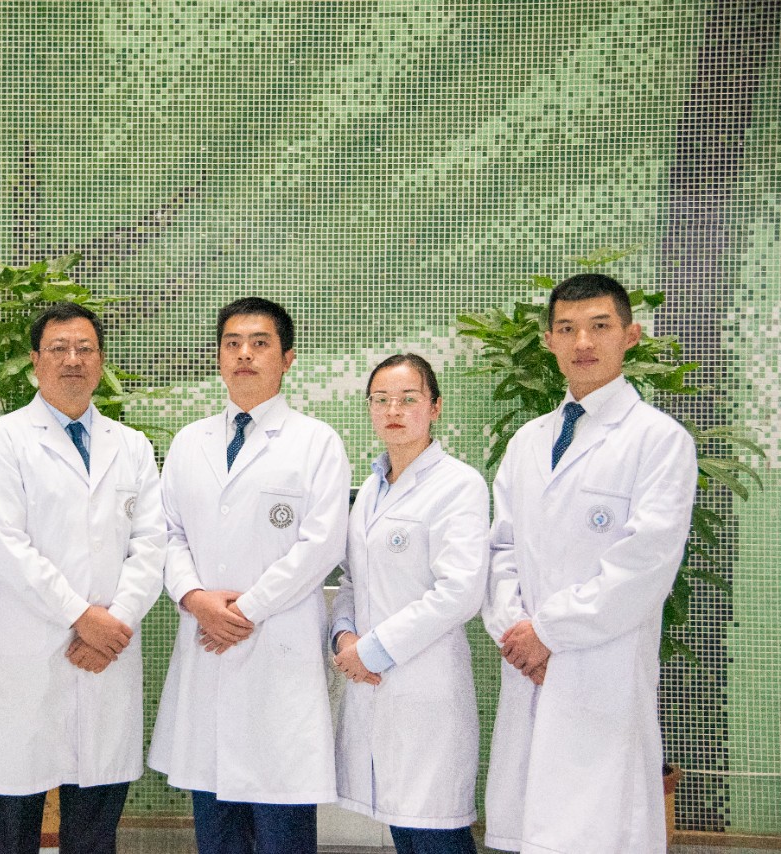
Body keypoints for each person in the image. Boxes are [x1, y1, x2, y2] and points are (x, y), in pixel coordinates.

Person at [482, 273, 698, 853]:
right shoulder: (528, 442)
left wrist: (548, 632)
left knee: (599, 829)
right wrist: (515, 632)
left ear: (630, 335)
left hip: (602, 672)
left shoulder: (659, 440)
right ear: (549, 341)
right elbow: (500, 549)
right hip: (528, 665)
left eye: (599, 326)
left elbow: (643, 566)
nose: (582, 342)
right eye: (567, 329)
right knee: (536, 828)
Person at [149, 297, 350, 854]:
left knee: (281, 823)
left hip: (276, 653)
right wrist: (195, 598)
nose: (244, 354)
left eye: (260, 343)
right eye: (232, 343)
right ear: (218, 357)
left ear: (287, 359)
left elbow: (321, 545)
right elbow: (167, 534)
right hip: (206, 643)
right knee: (217, 827)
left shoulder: (317, 443)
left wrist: (243, 611)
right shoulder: (190, 442)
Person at [0, 302, 166, 854]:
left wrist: (114, 622)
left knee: (96, 827)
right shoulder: (1, 441)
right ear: (35, 361)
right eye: (58, 349)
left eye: (85, 349)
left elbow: (152, 544)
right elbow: (5, 545)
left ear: (101, 360)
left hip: (108, 653)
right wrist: (82, 617)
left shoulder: (131, 447)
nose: (72, 360)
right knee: (13, 826)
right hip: (33, 652)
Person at [330, 354, 487, 854]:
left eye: (408, 399)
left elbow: (460, 591)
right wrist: (344, 635)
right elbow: (351, 578)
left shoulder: (459, 485)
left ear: (435, 407)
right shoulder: (370, 490)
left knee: (435, 833)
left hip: (426, 686)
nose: (393, 410)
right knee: (405, 828)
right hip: (374, 685)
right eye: (381, 400)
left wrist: (372, 651)